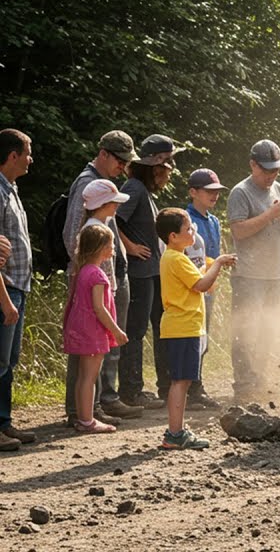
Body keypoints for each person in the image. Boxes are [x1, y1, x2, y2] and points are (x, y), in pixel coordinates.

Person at [62, 132, 142, 424]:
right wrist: (90, 275)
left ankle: (100, 401)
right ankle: (81, 411)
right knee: (87, 346)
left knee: (101, 344)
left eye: (126, 162)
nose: (123, 167)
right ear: (104, 153)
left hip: (107, 278)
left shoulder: (105, 188)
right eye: (120, 160)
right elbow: (74, 235)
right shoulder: (88, 185)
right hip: (94, 281)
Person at [227, 140, 280, 399]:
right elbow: (238, 230)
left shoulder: (277, 187)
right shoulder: (241, 192)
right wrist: (270, 216)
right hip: (249, 274)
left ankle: (259, 378)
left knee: (267, 330)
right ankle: (244, 384)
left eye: (276, 170)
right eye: (267, 170)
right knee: (246, 330)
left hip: (274, 272)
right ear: (252, 165)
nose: (272, 175)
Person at [156, 208, 236, 449]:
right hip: (183, 327)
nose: (193, 232)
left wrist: (210, 265)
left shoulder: (174, 257)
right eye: (188, 229)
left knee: (183, 380)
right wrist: (220, 262)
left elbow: (195, 277)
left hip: (182, 326)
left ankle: (176, 431)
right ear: (173, 236)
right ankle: (175, 433)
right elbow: (201, 284)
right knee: (181, 381)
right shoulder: (177, 258)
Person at [117, 134, 184, 409]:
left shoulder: (143, 191)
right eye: (169, 166)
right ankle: (131, 391)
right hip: (138, 273)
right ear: (157, 164)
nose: (171, 173)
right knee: (135, 330)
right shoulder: (133, 188)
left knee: (159, 326)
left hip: (151, 272)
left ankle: (163, 387)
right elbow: (112, 219)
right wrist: (131, 247)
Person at [63, 224, 128, 433]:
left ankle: (83, 418)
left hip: (81, 330)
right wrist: (116, 331)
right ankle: (87, 420)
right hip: (93, 332)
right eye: (111, 244)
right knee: (90, 377)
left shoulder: (82, 271)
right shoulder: (98, 275)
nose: (114, 249)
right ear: (101, 247)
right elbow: (99, 309)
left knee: (83, 376)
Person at [0, 129, 36, 451]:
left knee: (8, 362)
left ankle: (4, 423)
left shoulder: (11, 189)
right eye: (27, 152)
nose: (31, 158)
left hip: (18, 289)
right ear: (12, 155)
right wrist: (5, 301)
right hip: (5, 290)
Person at [184, 168, 228, 410]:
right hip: (191, 286)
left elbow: (214, 253)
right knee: (193, 337)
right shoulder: (185, 220)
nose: (214, 195)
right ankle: (189, 388)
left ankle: (196, 385)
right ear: (193, 192)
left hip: (209, 284)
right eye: (208, 191)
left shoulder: (213, 220)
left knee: (203, 337)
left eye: (217, 191)